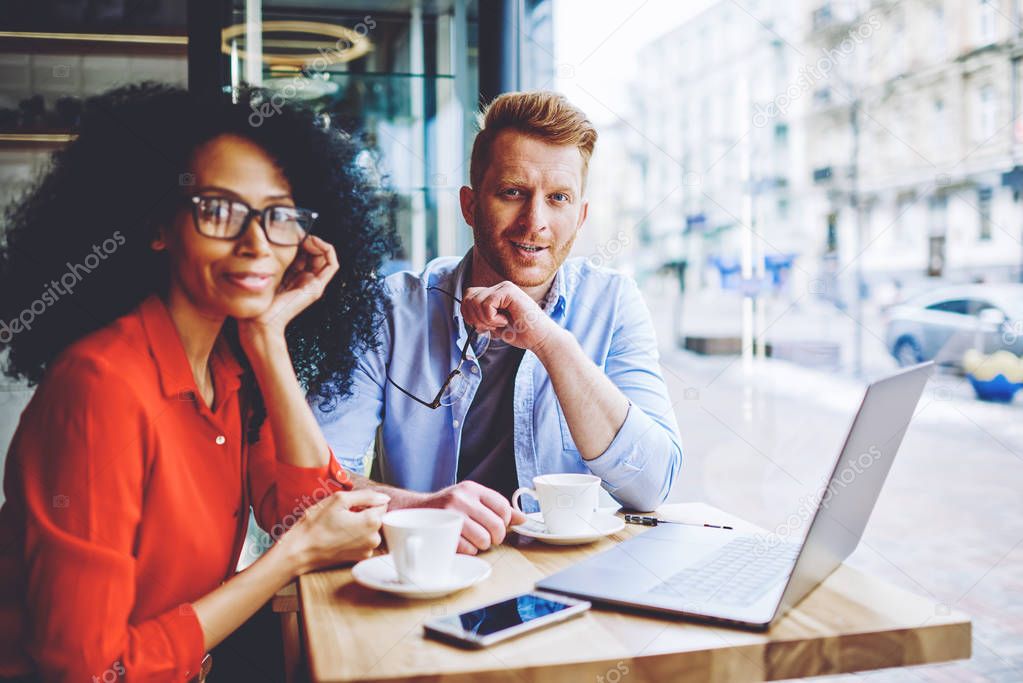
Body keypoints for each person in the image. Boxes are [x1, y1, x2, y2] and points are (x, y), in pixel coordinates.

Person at [0, 83, 396, 681]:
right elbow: (87, 669)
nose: (257, 243)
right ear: (158, 225)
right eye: (219, 210)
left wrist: (267, 337)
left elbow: (311, 509)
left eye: (279, 216)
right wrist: (292, 557)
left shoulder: (230, 366)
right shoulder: (100, 386)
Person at [313, 91, 683, 556]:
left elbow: (651, 486)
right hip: (429, 577)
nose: (535, 222)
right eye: (513, 193)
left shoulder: (613, 303)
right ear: (471, 206)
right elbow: (317, 481)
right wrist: (421, 510)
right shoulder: (391, 309)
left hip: (571, 582)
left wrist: (549, 341)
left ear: (581, 215)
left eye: (559, 198)